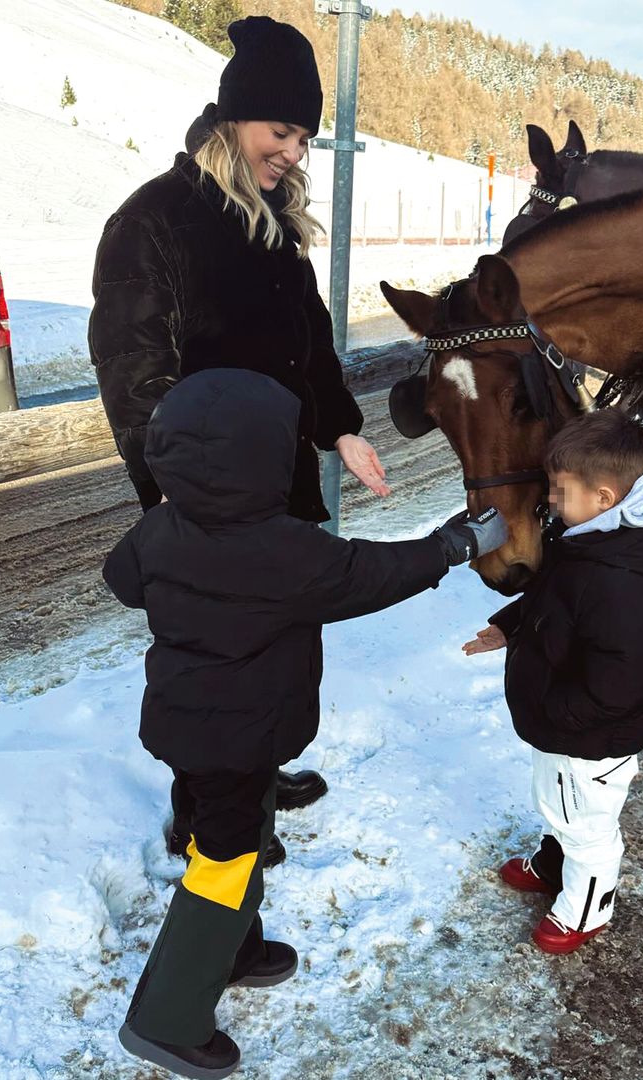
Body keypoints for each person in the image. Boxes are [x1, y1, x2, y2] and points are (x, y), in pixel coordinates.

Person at [104, 367, 507, 1078]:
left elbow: (122, 582)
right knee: (223, 866)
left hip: (193, 725)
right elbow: (369, 575)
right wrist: (451, 545)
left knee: (241, 833)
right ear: (261, 462)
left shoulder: (158, 530)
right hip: (237, 733)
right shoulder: (285, 549)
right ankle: (164, 1021)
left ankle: (236, 949)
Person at [89, 16, 386, 856]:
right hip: (205, 503)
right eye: (281, 130)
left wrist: (340, 432)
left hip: (280, 488)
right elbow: (133, 373)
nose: (293, 151)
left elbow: (309, 339)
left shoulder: (270, 224)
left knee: (281, 640)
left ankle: (253, 768)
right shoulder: (156, 221)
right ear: (233, 118)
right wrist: (182, 499)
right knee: (216, 658)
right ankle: (205, 815)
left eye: (304, 137)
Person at [463, 409, 643, 955]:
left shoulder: (622, 584)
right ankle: (553, 859)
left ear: (606, 497)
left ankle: (587, 908)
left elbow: (626, 680)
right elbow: (553, 600)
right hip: (561, 725)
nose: (553, 505)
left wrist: (559, 709)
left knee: (588, 825)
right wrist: (508, 625)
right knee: (559, 805)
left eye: (560, 493)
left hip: (590, 736)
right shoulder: (585, 539)